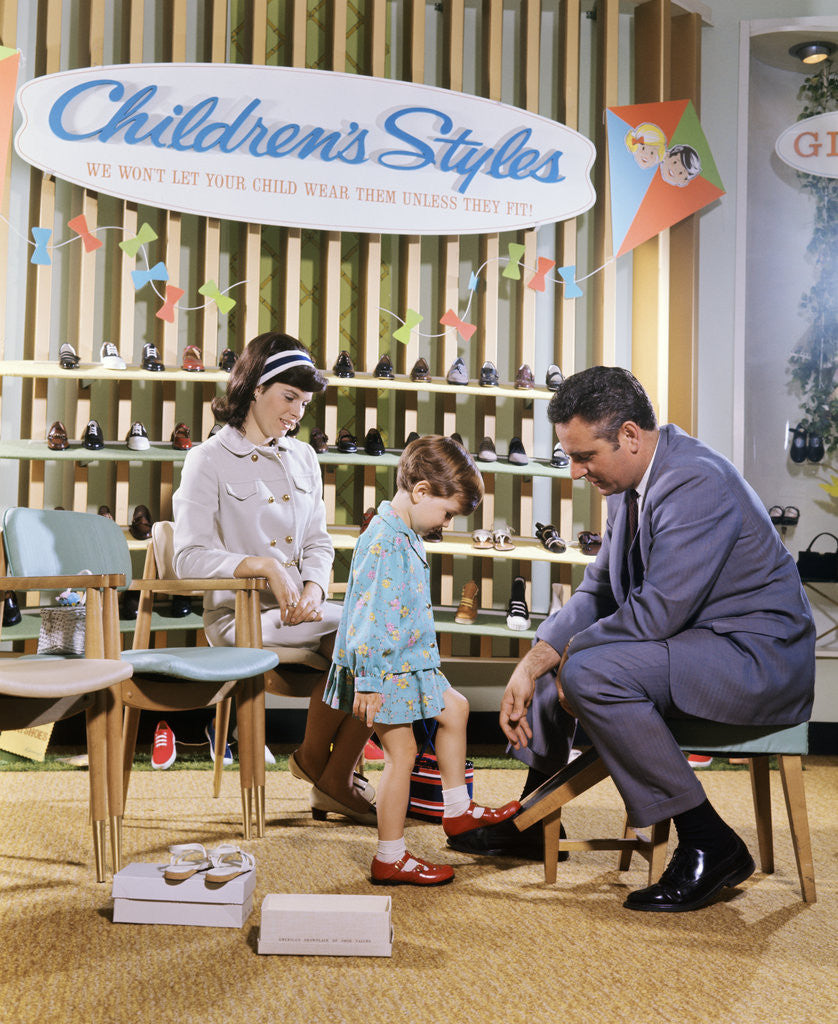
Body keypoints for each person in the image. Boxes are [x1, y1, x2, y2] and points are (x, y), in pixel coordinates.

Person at [448, 366, 815, 912]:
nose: (574, 472)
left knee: (589, 668)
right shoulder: (629, 481)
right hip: (699, 642)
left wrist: (572, 658)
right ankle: (535, 815)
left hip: (754, 658)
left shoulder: (696, 480)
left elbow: (658, 612)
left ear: (629, 435)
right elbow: (599, 590)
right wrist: (533, 663)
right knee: (567, 661)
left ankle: (709, 841)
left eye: (584, 457)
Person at [172, 331, 375, 824]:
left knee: (378, 634)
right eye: (289, 397)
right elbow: (188, 558)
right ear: (255, 388)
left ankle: (326, 770)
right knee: (361, 639)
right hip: (239, 616)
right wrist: (263, 567)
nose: (297, 412)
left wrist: (314, 587)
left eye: (304, 402)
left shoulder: (304, 456)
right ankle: (328, 774)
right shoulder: (207, 460)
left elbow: (318, 542)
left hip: (303, 611)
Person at [324, 436, 520, 885]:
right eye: (447, 513)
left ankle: (457, 811)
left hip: (410, 662)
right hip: (385, 668)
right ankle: (390, 856)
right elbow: (369, 615)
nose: (447, 523)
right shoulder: (385, 540)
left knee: (456, 708)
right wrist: (370, 679)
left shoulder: (404, 530)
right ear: (421, 491)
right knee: (403, 754)